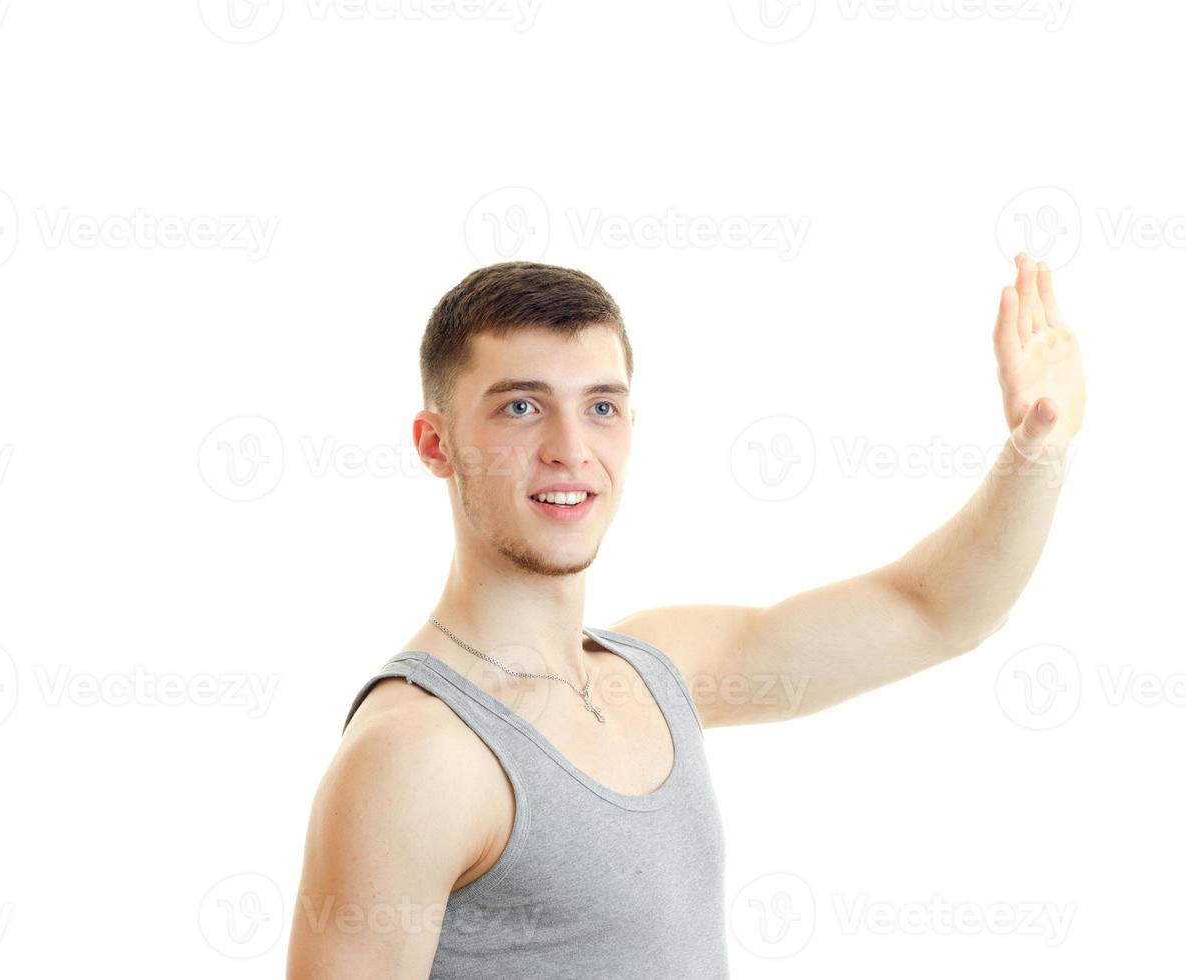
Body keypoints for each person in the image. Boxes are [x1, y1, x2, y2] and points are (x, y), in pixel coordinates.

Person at [286, 255, 1086, 978]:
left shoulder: (656, 670)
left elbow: (934, 612)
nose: (570, 447)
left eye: (601, 406)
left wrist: (1037, 452)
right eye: (521, 407)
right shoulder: (414, 755)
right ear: (435, 443)